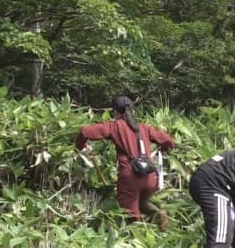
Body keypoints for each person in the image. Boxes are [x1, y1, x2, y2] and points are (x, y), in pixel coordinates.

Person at [75, 96, 175, 229]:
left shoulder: (115, 126)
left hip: (131, 176)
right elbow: (169, 141)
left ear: (115, 112)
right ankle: (158, 214)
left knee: (130, 215)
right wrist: (160, 149)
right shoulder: (144, 128)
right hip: (150, 176)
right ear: (132, 111)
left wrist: (81, 146)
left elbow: (85, 131)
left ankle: (138, 237)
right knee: (141, 202)